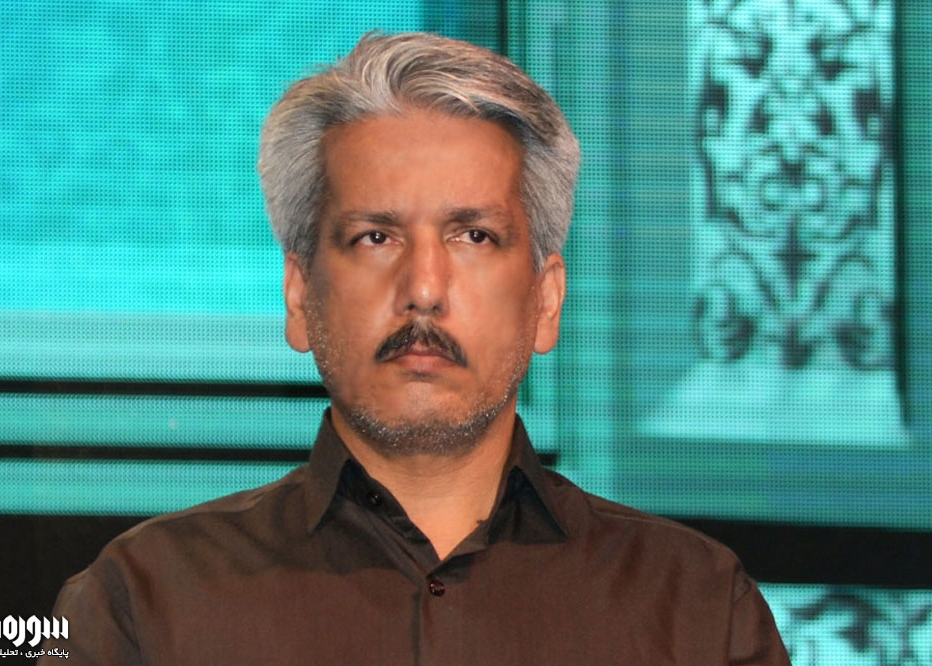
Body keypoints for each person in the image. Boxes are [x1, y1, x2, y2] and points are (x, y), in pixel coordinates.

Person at [40, 32, 791, 665]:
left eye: (475, 236)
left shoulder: (696, 610)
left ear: (545, 301)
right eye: (376, 237)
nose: (424, 288)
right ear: (300, 297)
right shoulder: (143, 605)